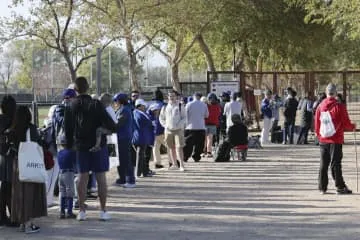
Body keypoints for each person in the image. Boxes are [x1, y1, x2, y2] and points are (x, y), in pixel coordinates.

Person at [65, 76, 117, 221]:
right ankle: (103, 210)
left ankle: (81, 211)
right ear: (88, 87)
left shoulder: (71, 106)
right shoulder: (96, 104)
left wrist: (70, 146)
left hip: (80, 146)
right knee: (101, 178)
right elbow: (112, 125)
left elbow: (67, 129)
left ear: (75, 89)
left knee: (82, 177)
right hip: (98, 146)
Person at [10, 106, 47, 233]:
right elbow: (38, 143)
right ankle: (29, 224)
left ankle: (21, 222)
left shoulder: (13, 129)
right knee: (30, 194)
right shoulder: (30, 128)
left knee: (19, 193)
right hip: (30, 163)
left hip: (17, 164)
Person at [315, 83, 356, 194]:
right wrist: (353, 127)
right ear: (335, 93)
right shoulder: (339, 106)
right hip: (336, 139)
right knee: (336, 163)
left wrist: (319, 136)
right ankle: (340, 187)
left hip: (323, 139)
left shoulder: (320, 106)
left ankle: (322, 187)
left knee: (323, 163)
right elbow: (346, 123)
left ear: (326, 93)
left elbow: (317, 123)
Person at [0, 95, 17, 226]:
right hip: (11, 157)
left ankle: (2, 215)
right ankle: (13, 214)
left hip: (1, 156)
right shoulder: (15, 121)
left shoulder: (1, 120)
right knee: (10, 187)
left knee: (3, 187)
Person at [159, 90, 186, 171]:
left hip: (178, 130)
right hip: (168, 130)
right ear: (168, 97)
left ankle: (181, 165)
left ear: (176, 96)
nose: (171, 97)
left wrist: (179, 125)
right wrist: (165, 126)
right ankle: (174, 164)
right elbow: (161, 118)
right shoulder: (165, 107)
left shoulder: (180, 106)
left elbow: (184, 118)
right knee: (171, 148)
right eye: (170, 96)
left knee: (179, 147)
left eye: (173, 96)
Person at [113, 93, 136, 188]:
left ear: (119, 101)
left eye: (116, 101)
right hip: (119, 137)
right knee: (119, 159)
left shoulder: (125, 110)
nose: (115, 103)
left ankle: (130, 180)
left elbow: (117, 123)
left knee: (125, 159)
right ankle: (122, 178)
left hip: (123, 137)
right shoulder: (122, 109)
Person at [183, 92, 209, 162]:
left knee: (188, 144)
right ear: (200, 97)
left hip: (190, 127)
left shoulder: (188, 104)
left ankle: (185, 156)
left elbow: (185, 115)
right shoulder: (204, 105)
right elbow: (207, 115)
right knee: (199, 144)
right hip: (201, 126)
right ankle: (196, 156)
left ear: (194, 96)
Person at [132, 99, 155, 177]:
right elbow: (140, 123)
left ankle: (145, 172)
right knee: (140, 155)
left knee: (141, 155)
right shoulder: (137, 113)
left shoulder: (139, 113)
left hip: (142, 136)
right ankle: (138, 173)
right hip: (141, 137)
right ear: (140, 106)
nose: (145, 107)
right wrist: (150, 123)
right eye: (144, 106)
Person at [57, 137, 76, 219]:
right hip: (69, 173)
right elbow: (75, 161)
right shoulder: (71, 152)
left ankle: (62, 212)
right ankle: (69, 212)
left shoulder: (59, 152)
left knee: (62, 192)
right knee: (70, 192)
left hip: (61, 173)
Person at [151, 90, 166, 169]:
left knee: (155, 147)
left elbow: (148, 117)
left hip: (153, 129)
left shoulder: (151, 106)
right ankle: (172, 161)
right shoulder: (164, 105)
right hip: (163, 128)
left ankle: (157, 162)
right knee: (169, 146)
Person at [204, 93, 221, 157]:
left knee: (205, 139)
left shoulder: (206, 105)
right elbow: (218, 114)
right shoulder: (217, 106)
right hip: (213, 124)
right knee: (210, 139)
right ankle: (209, 152)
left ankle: (204, 152)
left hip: (205, 124)